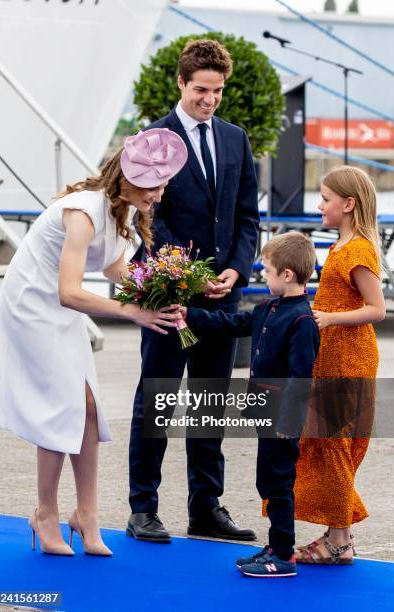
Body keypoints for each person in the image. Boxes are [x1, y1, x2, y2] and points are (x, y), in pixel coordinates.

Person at [0, 128, 187, 556]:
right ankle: (45, 514)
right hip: (33, 305)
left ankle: (86, 515)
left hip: (60, 308)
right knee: (63, 406)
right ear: (131, 179)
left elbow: (117, 270)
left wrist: (166, 293)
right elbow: (69, 291)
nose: (159, 195)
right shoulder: (82, 212)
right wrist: (133, 311)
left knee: (89, 408)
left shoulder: (121, 214)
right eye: (155, 186)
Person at [127, 38, 259, 544]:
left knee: (210, 401)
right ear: (181, 83)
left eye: (218, 91)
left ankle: (206, 509)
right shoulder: (151, 139)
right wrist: (179, 276)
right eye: (201, 89)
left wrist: (237, 272)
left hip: (223, 297)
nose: (210, 99)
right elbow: (141, 221)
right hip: (169, 296)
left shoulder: (235, 138)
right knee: (156, 401)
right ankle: (144, 509)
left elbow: (248, 215)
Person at [180, 231, 319, 577]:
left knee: (279, 483)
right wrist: (190, 313)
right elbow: (230, 323)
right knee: (267, 481)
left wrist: (289, 422)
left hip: (283, 420)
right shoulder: (268, 307)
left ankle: (284, 554)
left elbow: (300, 378)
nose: (263, 277)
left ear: (287, 274)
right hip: (264, 413)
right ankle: (275, 545)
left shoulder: (303, 320)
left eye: (267, 271)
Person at [293, 165, 386, 565]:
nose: (319, 205)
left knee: (334, 444)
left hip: (348, 358)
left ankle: (340, 540)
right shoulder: (341, 247)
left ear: (348, 204)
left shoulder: (358, 250)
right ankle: (337, 536)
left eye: (326, 199)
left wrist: (330, 318)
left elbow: (377, 309)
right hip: (332, 356)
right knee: (330, 444)